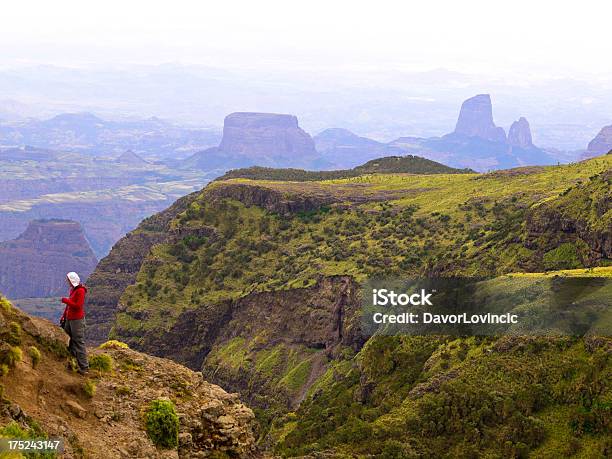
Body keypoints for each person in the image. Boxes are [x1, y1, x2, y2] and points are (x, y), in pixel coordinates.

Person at [60, 272, 89, 374]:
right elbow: (69, 307)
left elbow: (78, 306)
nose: (67, 281)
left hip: (77, 320)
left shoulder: (80, 291)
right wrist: (64, 316)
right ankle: (71, 361)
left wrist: (65, 300)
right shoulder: (73, 290)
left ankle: (84, 367)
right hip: (69, 318)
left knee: (78, 341)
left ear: (72, 280)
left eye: (68, 280)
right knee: (68, 339)